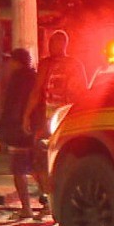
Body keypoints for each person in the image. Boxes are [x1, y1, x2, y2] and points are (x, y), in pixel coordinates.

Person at [27, 30, 89, 198]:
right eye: (51, 42)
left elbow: (82, 92)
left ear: (64, 45)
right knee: (40, 156)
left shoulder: (74, 65)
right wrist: (27, 115)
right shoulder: (45, 64)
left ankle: (64, 193)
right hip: (47, 119)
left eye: (57, 43)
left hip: (67, 119)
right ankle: (47, 194)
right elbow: (36, 91)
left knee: (65, 157)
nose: (52, 46)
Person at [0, 48, 40, 218]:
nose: (8, 65)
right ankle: (47, 203)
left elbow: (12, 106)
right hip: (32, 128)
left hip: (19, 130)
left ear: (16, 61)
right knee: (35, 167)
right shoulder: (35, 77)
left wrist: (1, 128)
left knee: (18, 169)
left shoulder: (17, 79)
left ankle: (26, 208)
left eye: (11, 61)